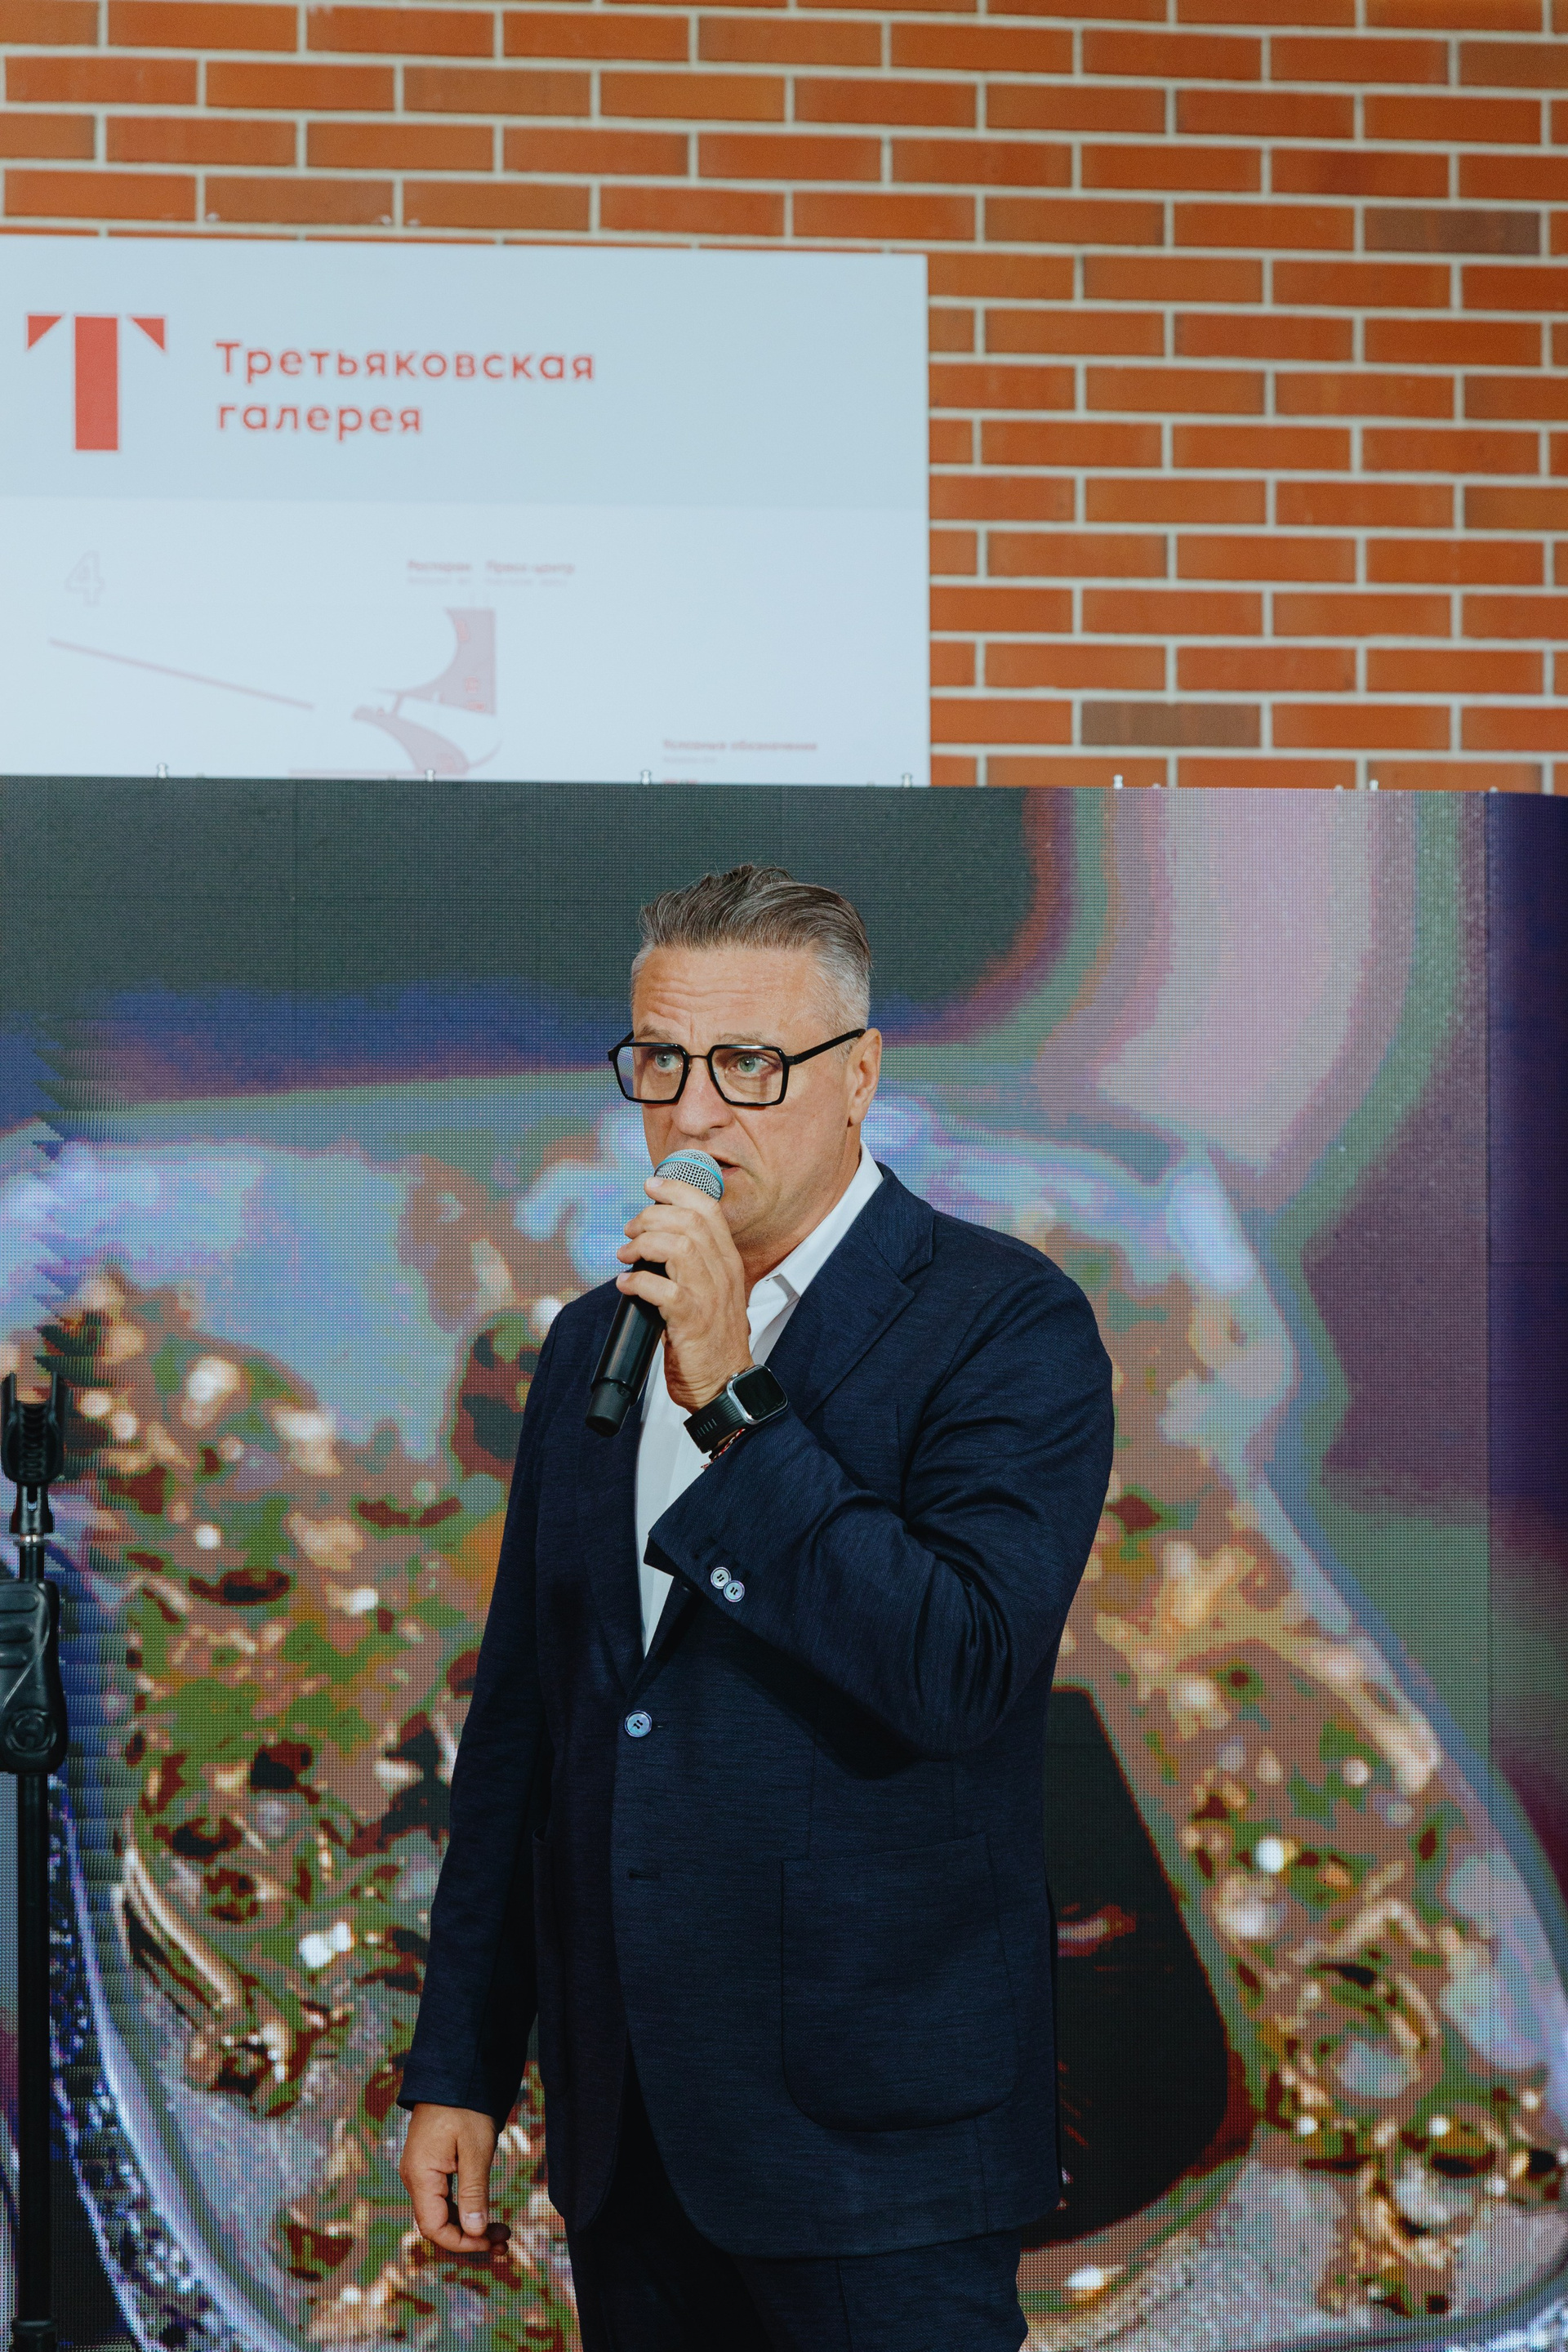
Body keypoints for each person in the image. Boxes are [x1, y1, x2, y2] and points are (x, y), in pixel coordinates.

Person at [397, 864, 1115, 2352]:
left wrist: (731, 1397)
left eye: (749, 1065)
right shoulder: (591, 1345)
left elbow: (961, 1665)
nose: (697, 1115)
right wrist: (460, 2063)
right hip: (631, 2131)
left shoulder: (1003, 1322)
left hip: (878, 2150)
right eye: (662, 1063)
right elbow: (527, 1728)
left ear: (859, 1078)